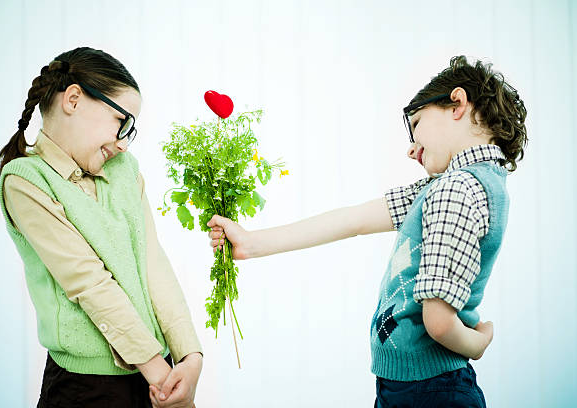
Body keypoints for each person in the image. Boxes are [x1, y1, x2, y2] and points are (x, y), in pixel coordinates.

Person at [207, 55, 527, 407]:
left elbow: (437, 321)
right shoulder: (452, 187)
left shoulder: (457, 189)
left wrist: (477, 345)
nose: (411, 149)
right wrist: (251, 244)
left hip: (430, 388)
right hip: (418, 385)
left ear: (457, 104)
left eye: (415, 124)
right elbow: (354, 220)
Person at [0, 47, 202, 408]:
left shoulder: (125, 170)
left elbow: (153, 261)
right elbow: (89, 283)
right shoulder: (25, 182)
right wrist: (160, 375)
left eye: (130, 131)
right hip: (87, 388)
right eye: (120, 122)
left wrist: (189, 356)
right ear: (73, 99)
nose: (123, 143)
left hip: (156, 371)